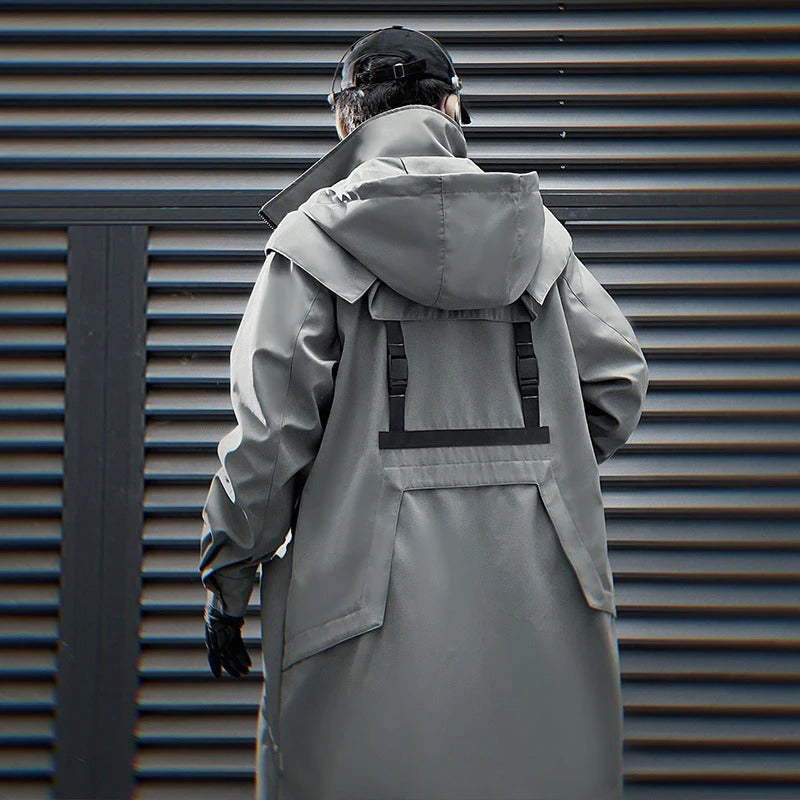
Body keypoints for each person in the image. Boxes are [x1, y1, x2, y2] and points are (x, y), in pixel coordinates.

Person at [199, 24, 648, 800]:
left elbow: (267, 447)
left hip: (356, 629)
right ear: (452, 107)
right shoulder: (540, 239)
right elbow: (616, 387)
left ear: (347, 120)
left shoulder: (312, 244)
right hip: (539, 629)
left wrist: (227, 579)